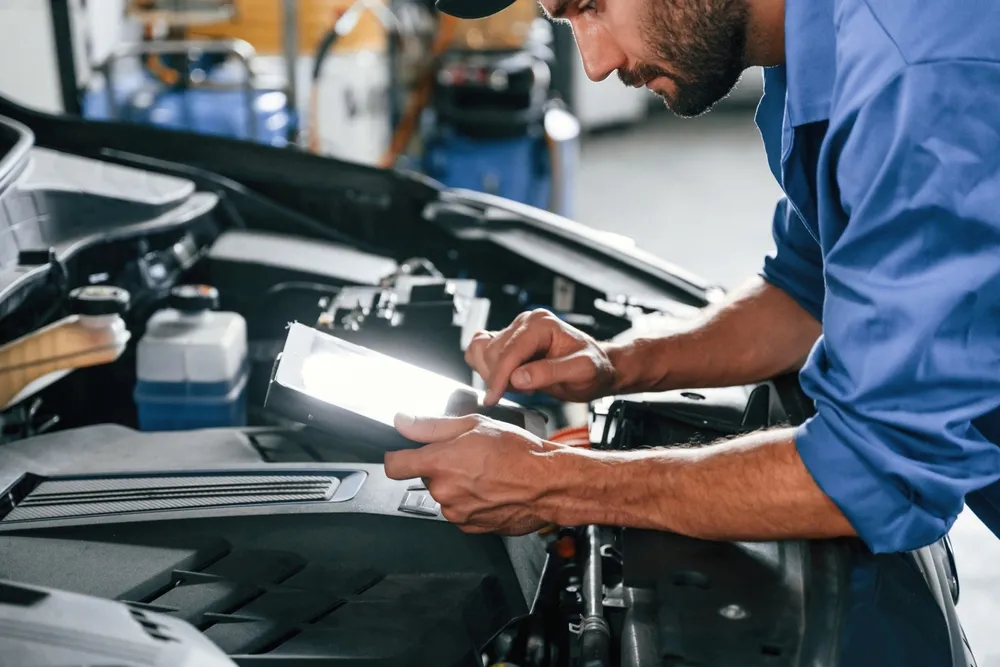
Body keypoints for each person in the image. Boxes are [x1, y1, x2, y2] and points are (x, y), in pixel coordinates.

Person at [383, 0, 1000, 663]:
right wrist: (615, 361)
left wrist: (553, 481)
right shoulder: (816, 46)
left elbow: (874, 470)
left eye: (589, 6)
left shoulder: (912, 74)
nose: (594, 64)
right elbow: (807, 290)